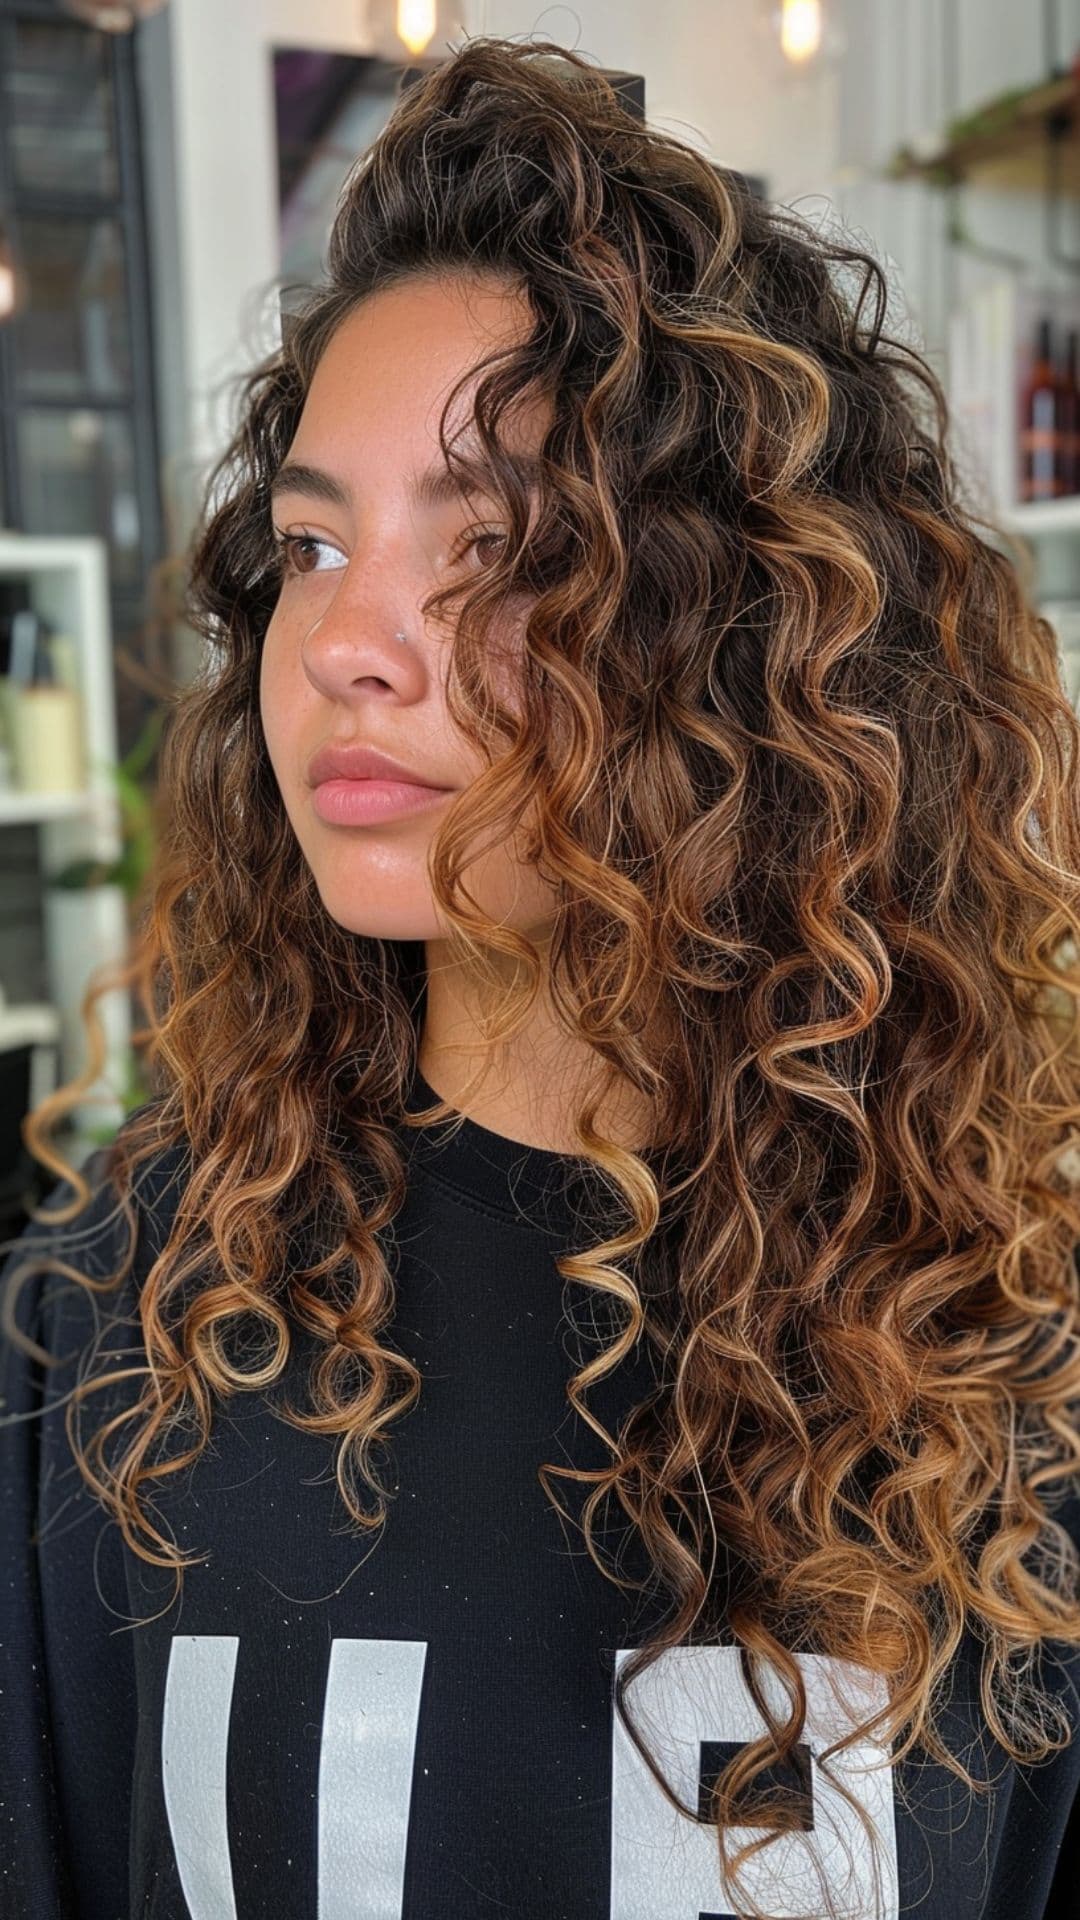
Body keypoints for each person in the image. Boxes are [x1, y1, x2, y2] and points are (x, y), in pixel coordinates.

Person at [2, 34, 1079, 1920]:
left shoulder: (1000, 1379)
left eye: (494, 550)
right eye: (313, 540)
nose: (346, 639)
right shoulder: (116, 1341)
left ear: (740, 639)